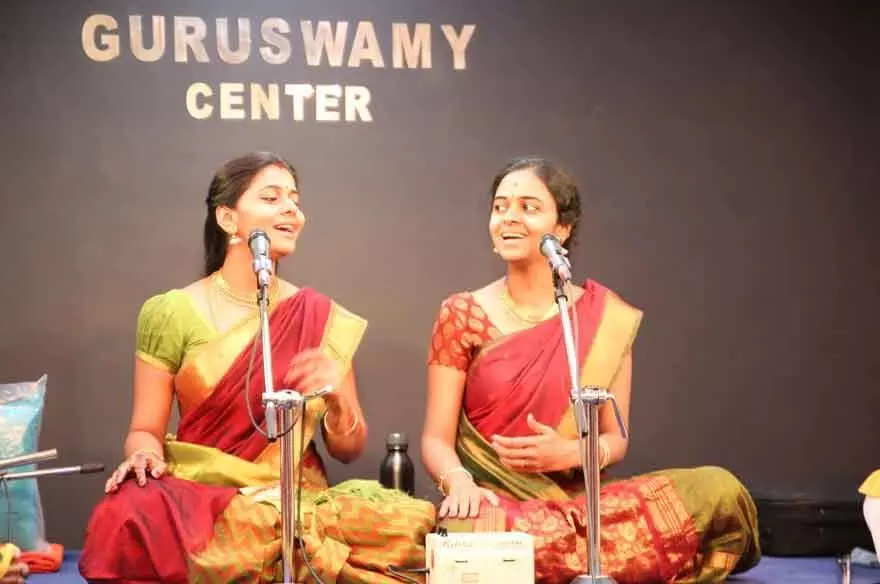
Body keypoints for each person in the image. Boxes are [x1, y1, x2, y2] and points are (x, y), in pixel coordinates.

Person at [79, 152, 434, 583]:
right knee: (127, 511)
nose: (292, 210)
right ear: (228, 219)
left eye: (295, 199)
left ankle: (273, 550)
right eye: (272, 198)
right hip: (204, 496)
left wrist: (337, 397)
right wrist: (144, 457)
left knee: (408, 523)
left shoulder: (318, 316)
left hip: (294, 498)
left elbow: (348, 448)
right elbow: (145, 429)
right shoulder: (171, 312)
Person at [420, 156, 761, 583]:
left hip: (585, 508)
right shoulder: (461, 313)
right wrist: (461, 485)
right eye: (500, 206)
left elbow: (615, 439)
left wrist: (569, 453)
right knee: (471, 531)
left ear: (562, 228)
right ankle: (618, 558)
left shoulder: (606, 317)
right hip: (497, 503)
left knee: (718, 489)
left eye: (529, 207)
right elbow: (436, 439)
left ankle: (552, 561)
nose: (509, 217)